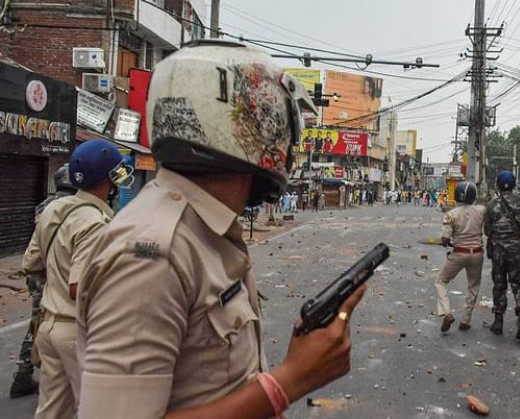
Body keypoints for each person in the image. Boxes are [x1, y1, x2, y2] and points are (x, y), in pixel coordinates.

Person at [75, 41, 366, 418]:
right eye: (277, 125)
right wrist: (289, 381)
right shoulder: (152, 255)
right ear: (245, 128)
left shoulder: (204, 230)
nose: (288, 146)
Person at [32, 140, 131, 418]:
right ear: (107, 180)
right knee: (101, 410)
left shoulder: (55, 209)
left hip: (49, 327)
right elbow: (80, 289)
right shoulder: (95, 224)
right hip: (77, 333)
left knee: (52, 411)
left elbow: (33, 262)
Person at [9, 164, 76, 399]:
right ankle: (33, 372)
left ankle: (26, 371)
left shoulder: (44, 205)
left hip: (38, 271)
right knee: (55, 320)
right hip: (56, 272)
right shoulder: (75, 207)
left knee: (39, 319)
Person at [484, 171, 520, 339]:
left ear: (498, 185)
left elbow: (487, 230)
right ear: (514, 185)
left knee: (499, 285)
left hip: (498, 251)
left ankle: (498, 321)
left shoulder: (491, 204)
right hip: (517, 252)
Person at [435, 182, 485, 332]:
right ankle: (465, 320)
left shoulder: (451, 214)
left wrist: (446, 242)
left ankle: (447, 312)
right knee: (473, 286)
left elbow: (445, 238)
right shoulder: (482, 210)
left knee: (441, 281)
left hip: (459, 252)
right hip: (477, 253)